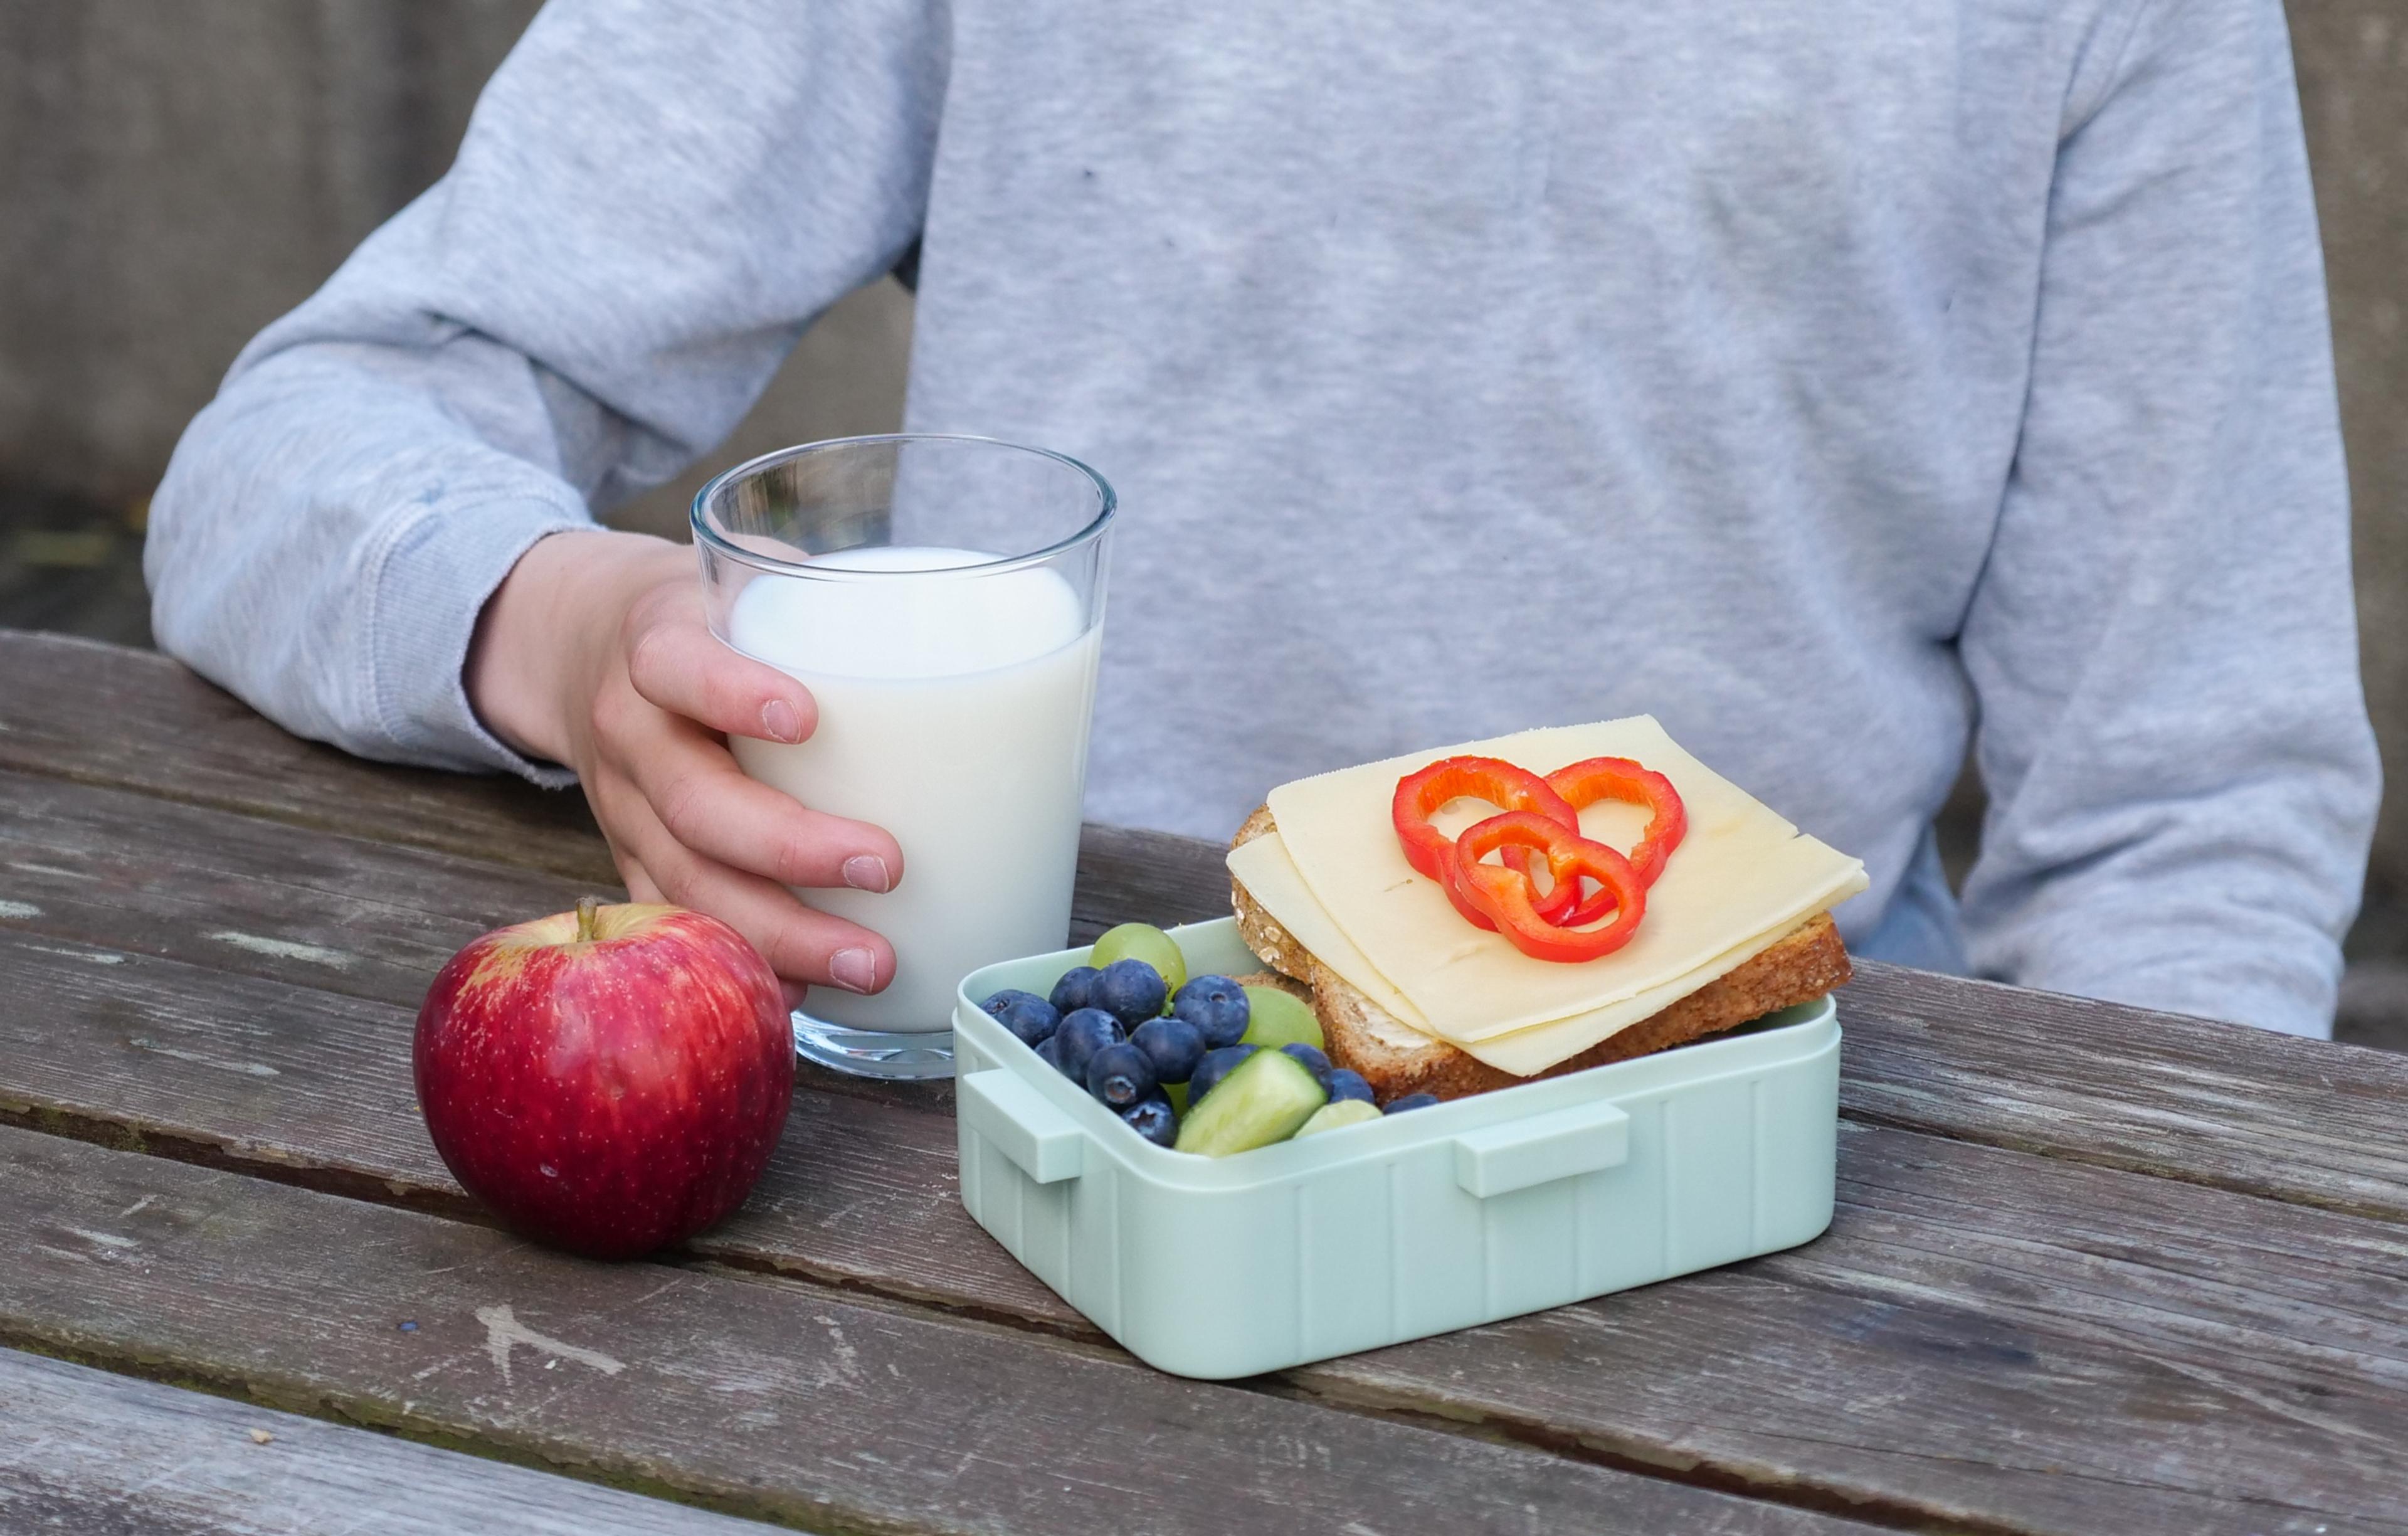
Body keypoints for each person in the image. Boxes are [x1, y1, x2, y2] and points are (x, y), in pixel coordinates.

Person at [147, 0, 2379, 1035]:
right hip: (1019, 1126)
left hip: (1771, 1163)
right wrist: (562, 623)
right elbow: (304, 444)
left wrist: (2102, 1306)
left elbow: (2193, 819)